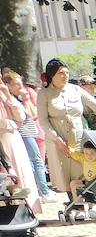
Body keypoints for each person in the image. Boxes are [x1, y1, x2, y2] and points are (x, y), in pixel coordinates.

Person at [36, 57, 96, 214]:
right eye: (61, 73)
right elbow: (43, 121)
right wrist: (58, 141)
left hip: (78, 136)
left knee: (85, 170)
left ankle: (92, 205)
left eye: (66, 72)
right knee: (66, 175)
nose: (65, 76)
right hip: (57, 138)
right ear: (52, 75)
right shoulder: (44, 94)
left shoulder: (75, 90)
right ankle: (76, 206)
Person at [1, 67, 58, 204]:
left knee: (27, 165)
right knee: (31, 163)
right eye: (17, 84)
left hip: (17, 136)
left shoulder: (10, 97)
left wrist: (11, 96)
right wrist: (12, 124)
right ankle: (41, 193)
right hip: (11, 136)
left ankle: (28, 202)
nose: (21, 87)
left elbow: (23, 116)